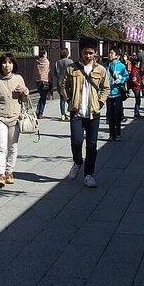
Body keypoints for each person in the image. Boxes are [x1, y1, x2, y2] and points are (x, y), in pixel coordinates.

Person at [59, 36, 109, 188]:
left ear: (95, 53)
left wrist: (100, 102)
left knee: (92, 145)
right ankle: (77, 161)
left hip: (94, 112)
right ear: (81, 52)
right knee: (76, 141)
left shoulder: (100, 69)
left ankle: (89, 174)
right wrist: (69, 100)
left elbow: (106, 88)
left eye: (91, 53)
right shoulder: (72, 68)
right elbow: (62, 85)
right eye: (85, 53)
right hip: (77, 112)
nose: (88, 56)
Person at [0, 53, 30, 189]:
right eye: (4, 63)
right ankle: (0, 174)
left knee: (13, 146)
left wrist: (25, 90)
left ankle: (10, 172)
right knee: (1, 146)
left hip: (15, 117)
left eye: (9, 63)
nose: (7, 65)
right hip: (0, 118)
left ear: (13, 65)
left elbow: (26, 100)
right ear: (0, 65)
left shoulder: (19, 78)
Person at [105, 48, 129, 141]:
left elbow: (126, 76)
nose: (110, 54)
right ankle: (111, 134)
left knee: (117, 114)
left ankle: (118, 133)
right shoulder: (106, 65)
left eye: (112, 53)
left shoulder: (121, 66)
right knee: (110, 115)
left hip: (118, 92)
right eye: (109, 52)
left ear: (117, 56)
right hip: (108, 93)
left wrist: (121, 80)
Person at [53, 47, 74, 120]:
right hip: (69, 82)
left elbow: (55, 73)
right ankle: (69, 111)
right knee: (70, 98)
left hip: (60, 82)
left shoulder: (57, 62)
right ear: (67, 53)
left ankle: (62, 114)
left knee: (62, 99)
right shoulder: (70, 61)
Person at [34, 48, 51, 119]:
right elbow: (48, 71)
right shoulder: (46, 62)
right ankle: (40, 113)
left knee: (41, 96)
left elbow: (35, 70)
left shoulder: (36, 61)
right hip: (45, 81)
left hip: (38, 81)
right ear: (44, 54)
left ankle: (37, 111)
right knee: (43, 98)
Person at [127, 53, 144, 118]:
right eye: (139, 63)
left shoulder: (136, 70)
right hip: (136, 88)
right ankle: (136, 113)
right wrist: (139, 84)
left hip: (137, 87)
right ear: (136, 64)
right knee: (138, 100)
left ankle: (137, 112)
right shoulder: (134, 71)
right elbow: (134, 80)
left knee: (138, 100)